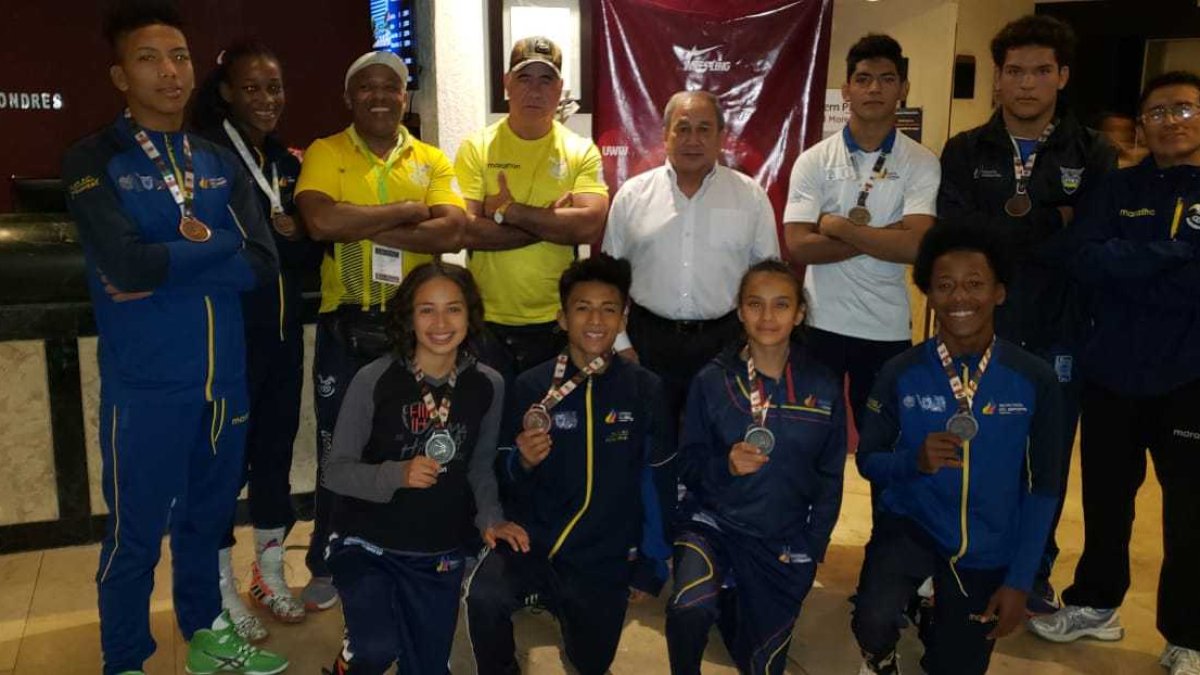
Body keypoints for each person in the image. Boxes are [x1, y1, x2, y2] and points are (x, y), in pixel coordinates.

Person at [61, 3, 287, 673]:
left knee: (204, 525)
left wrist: (177, 259)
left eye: (181, 57)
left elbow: (262, 262)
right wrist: (218, 247)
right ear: (120, 76)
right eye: (149, 58)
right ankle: (125, 658)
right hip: (148, 389)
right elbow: (127, 264)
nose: (169, 71)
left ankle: (205, 637)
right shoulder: (94, 159)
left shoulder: (217, 160)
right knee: (134, 537)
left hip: (226, 384)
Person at [937, 14, 1117, 613]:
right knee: (975, 448)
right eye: (1014, 71)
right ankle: (966, 560)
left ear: (1062, 77)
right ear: (998, 78)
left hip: (1060, 330)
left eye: (1041, 71)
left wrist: (1006, 234)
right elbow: (958, 238)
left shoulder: (1094, 152)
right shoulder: (965, 149)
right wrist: (1051, 219)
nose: (1026, 83)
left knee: (1044, 461)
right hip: (976, 331)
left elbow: (1088, 245)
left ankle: (1032, 571)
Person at [1027, 71, 1200, 675]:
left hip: (1189, 378)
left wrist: (1131, 264)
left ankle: (1188, 636)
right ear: (1143, 124)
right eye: (1159, 112)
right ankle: (1095, 604)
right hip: (1110, 374)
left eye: (1184, 109)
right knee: (1105, 502)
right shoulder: (1119, 187)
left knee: (1189, 515)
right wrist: (1174, 255)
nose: (1171, 121)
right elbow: (1083, 259)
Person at [294, 50, 467, 610]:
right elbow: (320, 220)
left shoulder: (432, 159)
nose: (378, 96)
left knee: (412, 442)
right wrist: (408, 210)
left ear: (404, 97)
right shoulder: (326, 152)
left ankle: (406, 549)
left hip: (415, 331)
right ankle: (327, 560)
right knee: (338, 448)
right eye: (366, 87)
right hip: (347, 325)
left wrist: (362, 222)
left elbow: (453, 231)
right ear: (349, 98)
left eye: (390, 87)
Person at [852, 223, 1065, 675]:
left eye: (975, 284)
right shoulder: (900, 372)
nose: (960, 297)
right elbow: (869, 460)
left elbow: (1045, 487)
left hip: (988, 545)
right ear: (929, 295)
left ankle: (935, 609)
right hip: (913, 527)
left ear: (999, 292)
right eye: (945, 285)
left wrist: (1020, 581)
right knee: (871, 620)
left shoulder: (1035, 379)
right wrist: (913, 462)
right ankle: (883, 649)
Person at [463, 253, 674, 675]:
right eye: (582, 308)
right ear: (562, 317)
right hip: (532, 543)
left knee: (591, 662)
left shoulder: (644, 389)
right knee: (483, 599)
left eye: (608, 309)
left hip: (602, 554)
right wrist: (522, 463)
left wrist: (651, 562)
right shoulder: (531, 385)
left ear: (623, 319)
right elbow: (502, 469)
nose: (595, 320)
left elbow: (659, 478)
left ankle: (572, 622)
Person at [318, 262, 527, 674]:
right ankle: (355, 655)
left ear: (470, 314)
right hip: (367, 544)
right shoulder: (374, 378)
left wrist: (491, 518)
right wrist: (395, 474)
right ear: (408, 317)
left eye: (453, 309)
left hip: (439, 552)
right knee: (376, 649)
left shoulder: (489, 384)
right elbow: (335, 471)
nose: (441, 323)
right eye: (426, 310)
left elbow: (480, 466)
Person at [191, 39, 321, 640]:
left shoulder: (287, 164)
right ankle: (217, 588)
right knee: (222, 467)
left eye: (274, 88)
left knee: (273, 459)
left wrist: (294, 235)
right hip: (226, 344)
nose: (267, 99)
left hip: (282, 339)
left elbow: (310, 254)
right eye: (251, 88)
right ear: (225, 92)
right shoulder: (204, 158)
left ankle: (269, 573)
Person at [665, 260, 846, 675]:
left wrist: (812, 546)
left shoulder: (822, 385)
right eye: (755, 304)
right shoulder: (711, 381)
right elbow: (687, 464)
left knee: (762, 666)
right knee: (689, 609)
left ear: (799, 313)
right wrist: (724, 466)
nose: (767, 316)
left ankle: (733, 599)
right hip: (713, 523)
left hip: (780, 536)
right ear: (740, 311)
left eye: (781, 305)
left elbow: (831, 476)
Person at [782, 33, 939, 434]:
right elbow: (799, 246)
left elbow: (917, 246)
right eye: (864, 79)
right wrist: (886, 236)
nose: (874, 89)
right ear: (846, 89)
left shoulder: (921, 162)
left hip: (885, 327)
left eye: (887, 79)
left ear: (903, 89)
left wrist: (838, 227)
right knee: (811, 439)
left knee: (881, 443)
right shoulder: (813, 160)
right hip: (820, 324)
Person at [602, 90, 780, 425]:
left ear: (721, 137)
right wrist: (621, 343)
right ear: (665, 135)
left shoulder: (750, 197)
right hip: (647, 341)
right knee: (651, 439)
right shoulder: (632, 196)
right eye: (682, 129)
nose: (693, 140)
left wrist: (755, 343)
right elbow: (608, 280)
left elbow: (768, 280)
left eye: (704, 129)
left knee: (721, 439)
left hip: (726, 343)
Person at [455, 36, 609, 386]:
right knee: (490, 417)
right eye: (524, 78)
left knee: (547, 418)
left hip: (556, 321)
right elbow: (463, 230)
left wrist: (507, 211)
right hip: (485, 321)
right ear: (506, 83)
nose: (535, 91)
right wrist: (551, 223)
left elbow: (589, 226)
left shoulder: (581, 150)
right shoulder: (477, 147)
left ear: (560, 88)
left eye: (546, 80)